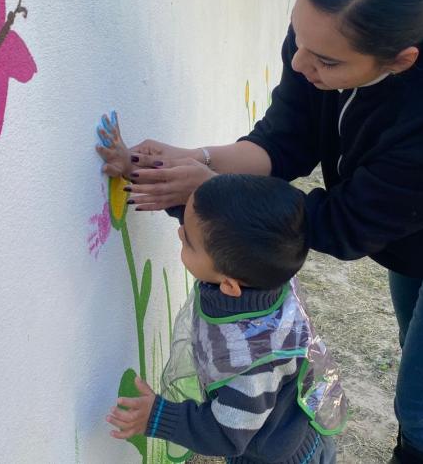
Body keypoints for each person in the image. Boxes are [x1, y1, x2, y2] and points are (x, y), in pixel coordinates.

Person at [98, 0, 423, 462]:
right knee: (417, 348)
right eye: (298, 39)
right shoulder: (323, 41)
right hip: (416, 222)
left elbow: (341, 224)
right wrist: (195, 161)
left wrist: (208, 193)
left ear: (400, 60)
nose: (300, 65)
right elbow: (285, 139)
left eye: (326, 62)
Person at [102, 171, 347, 464]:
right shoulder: (261, 268)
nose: (181, 233)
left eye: (188, 242)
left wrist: (158, 416)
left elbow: (227, 433)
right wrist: (132, 169)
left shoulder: (252, 362)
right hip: (280, 431)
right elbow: (202, 224)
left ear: (229, 285)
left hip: (274, 456)